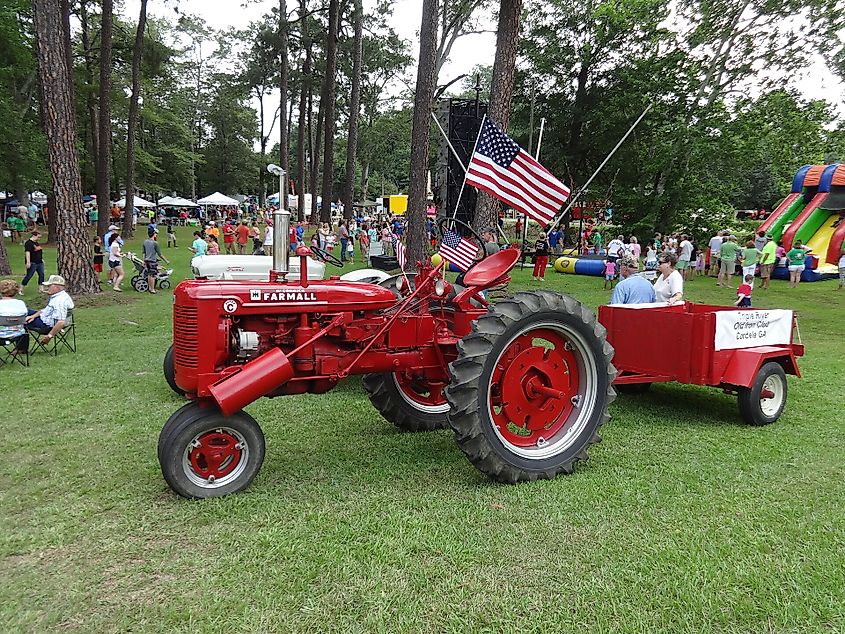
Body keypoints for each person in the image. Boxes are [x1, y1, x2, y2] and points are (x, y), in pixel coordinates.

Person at [25, 274, 74, 345]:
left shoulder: (60, 301)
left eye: (49, 286)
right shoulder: (59, 295)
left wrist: (49, 336)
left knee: (19, 319)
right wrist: (33, 316)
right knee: (22, 311)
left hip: (46, 325)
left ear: (56, 287)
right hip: (46, 317)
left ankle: (21, 348)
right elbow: (45, 310)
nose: (47, 288)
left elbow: (61, 322)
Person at [0, 279, 29, 356]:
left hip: (1, 334)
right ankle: (21, 349)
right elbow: (25, 315)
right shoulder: (21, 303)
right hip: (18, 334)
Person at [143, 228, 170, 294]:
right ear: (154, 234)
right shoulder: (155, 243)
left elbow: (144, 252)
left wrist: (144, 260)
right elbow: (160, 254)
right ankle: (152, 289)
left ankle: (150, 288)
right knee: (153, 275)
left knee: (149, 274)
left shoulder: (145, 242)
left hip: (146, 260)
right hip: (152, 261)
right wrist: (166, 260)